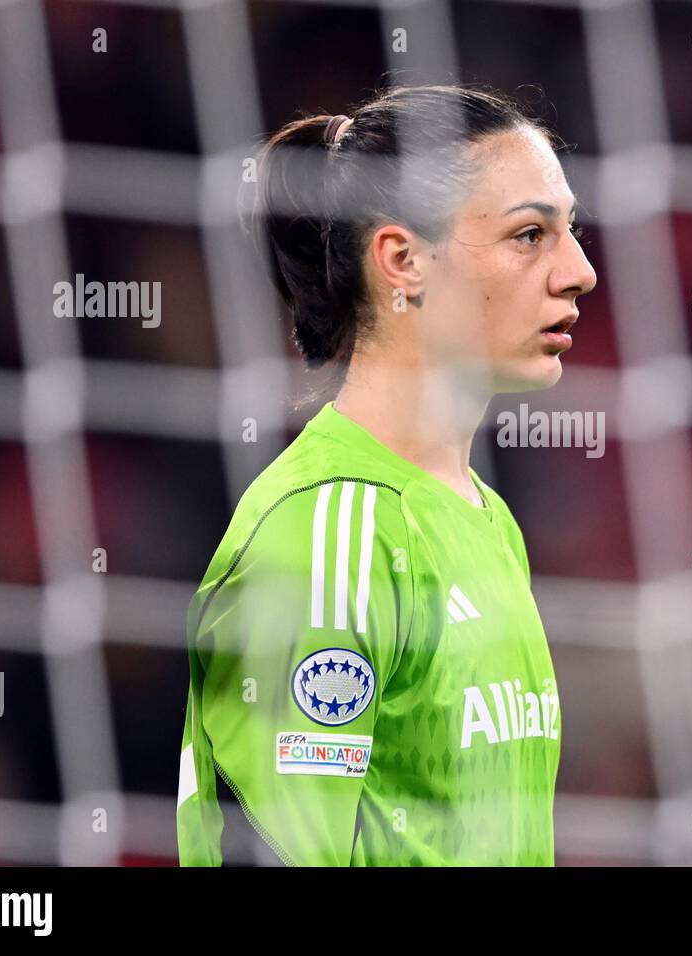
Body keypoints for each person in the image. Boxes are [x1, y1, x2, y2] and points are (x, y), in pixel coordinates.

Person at [176, 83, 597, 865]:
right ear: (403, 260)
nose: (579, 272)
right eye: (531, 234)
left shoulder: (487, 521)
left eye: (571, 230)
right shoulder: (324, 533)